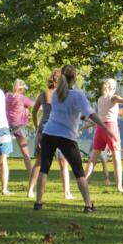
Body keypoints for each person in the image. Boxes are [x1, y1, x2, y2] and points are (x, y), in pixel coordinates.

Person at [35, 65, 116, 212]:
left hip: (49, 133)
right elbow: (90, 113)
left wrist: (86, 119)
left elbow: (71, 112)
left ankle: (38, 203)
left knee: (44, 169)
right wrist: (104, 127)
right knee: (79, 172)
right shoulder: (77, 95)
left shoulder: (56, 94)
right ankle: (88, 205)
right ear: (75, 77)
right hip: (66, 136)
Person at [28, 69, 74, 199]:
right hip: (59, 129)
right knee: (63, 163)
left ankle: (30, 191)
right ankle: (67, 193)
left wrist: (37, 126)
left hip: (44, 128)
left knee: (39, 162)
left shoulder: (44, 94)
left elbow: (34, 111)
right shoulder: (62, 95)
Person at [3, 79, 35, 177]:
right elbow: (36, 106)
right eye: (24, 89)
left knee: (3, 151)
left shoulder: (7, 96)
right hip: (17, 126)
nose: (24, 91)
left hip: (7, 124)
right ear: (21, 88)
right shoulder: (22, 98)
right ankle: (31, 174)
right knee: (25, 151)